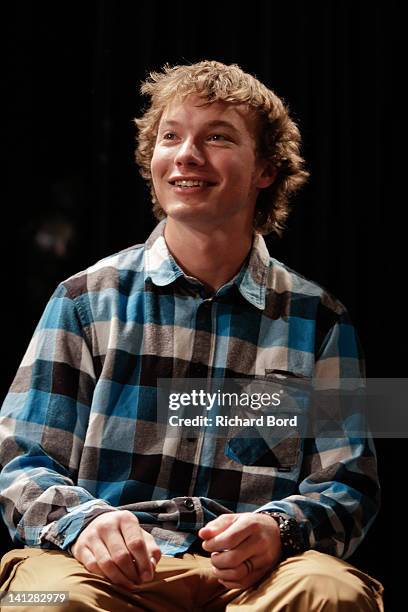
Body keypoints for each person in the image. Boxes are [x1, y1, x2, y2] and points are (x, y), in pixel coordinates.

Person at [0, 60, 384, 611]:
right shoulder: (83, 298)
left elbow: (350, 483)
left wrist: (280, 529)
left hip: (259, 578)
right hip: (107, 571)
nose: (186, 155)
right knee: (38, 599)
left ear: (267, 170)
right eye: (171, 136)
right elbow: (21, 458)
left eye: (217, 137)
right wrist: (85, 525)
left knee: (331, 592)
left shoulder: (321, 318)